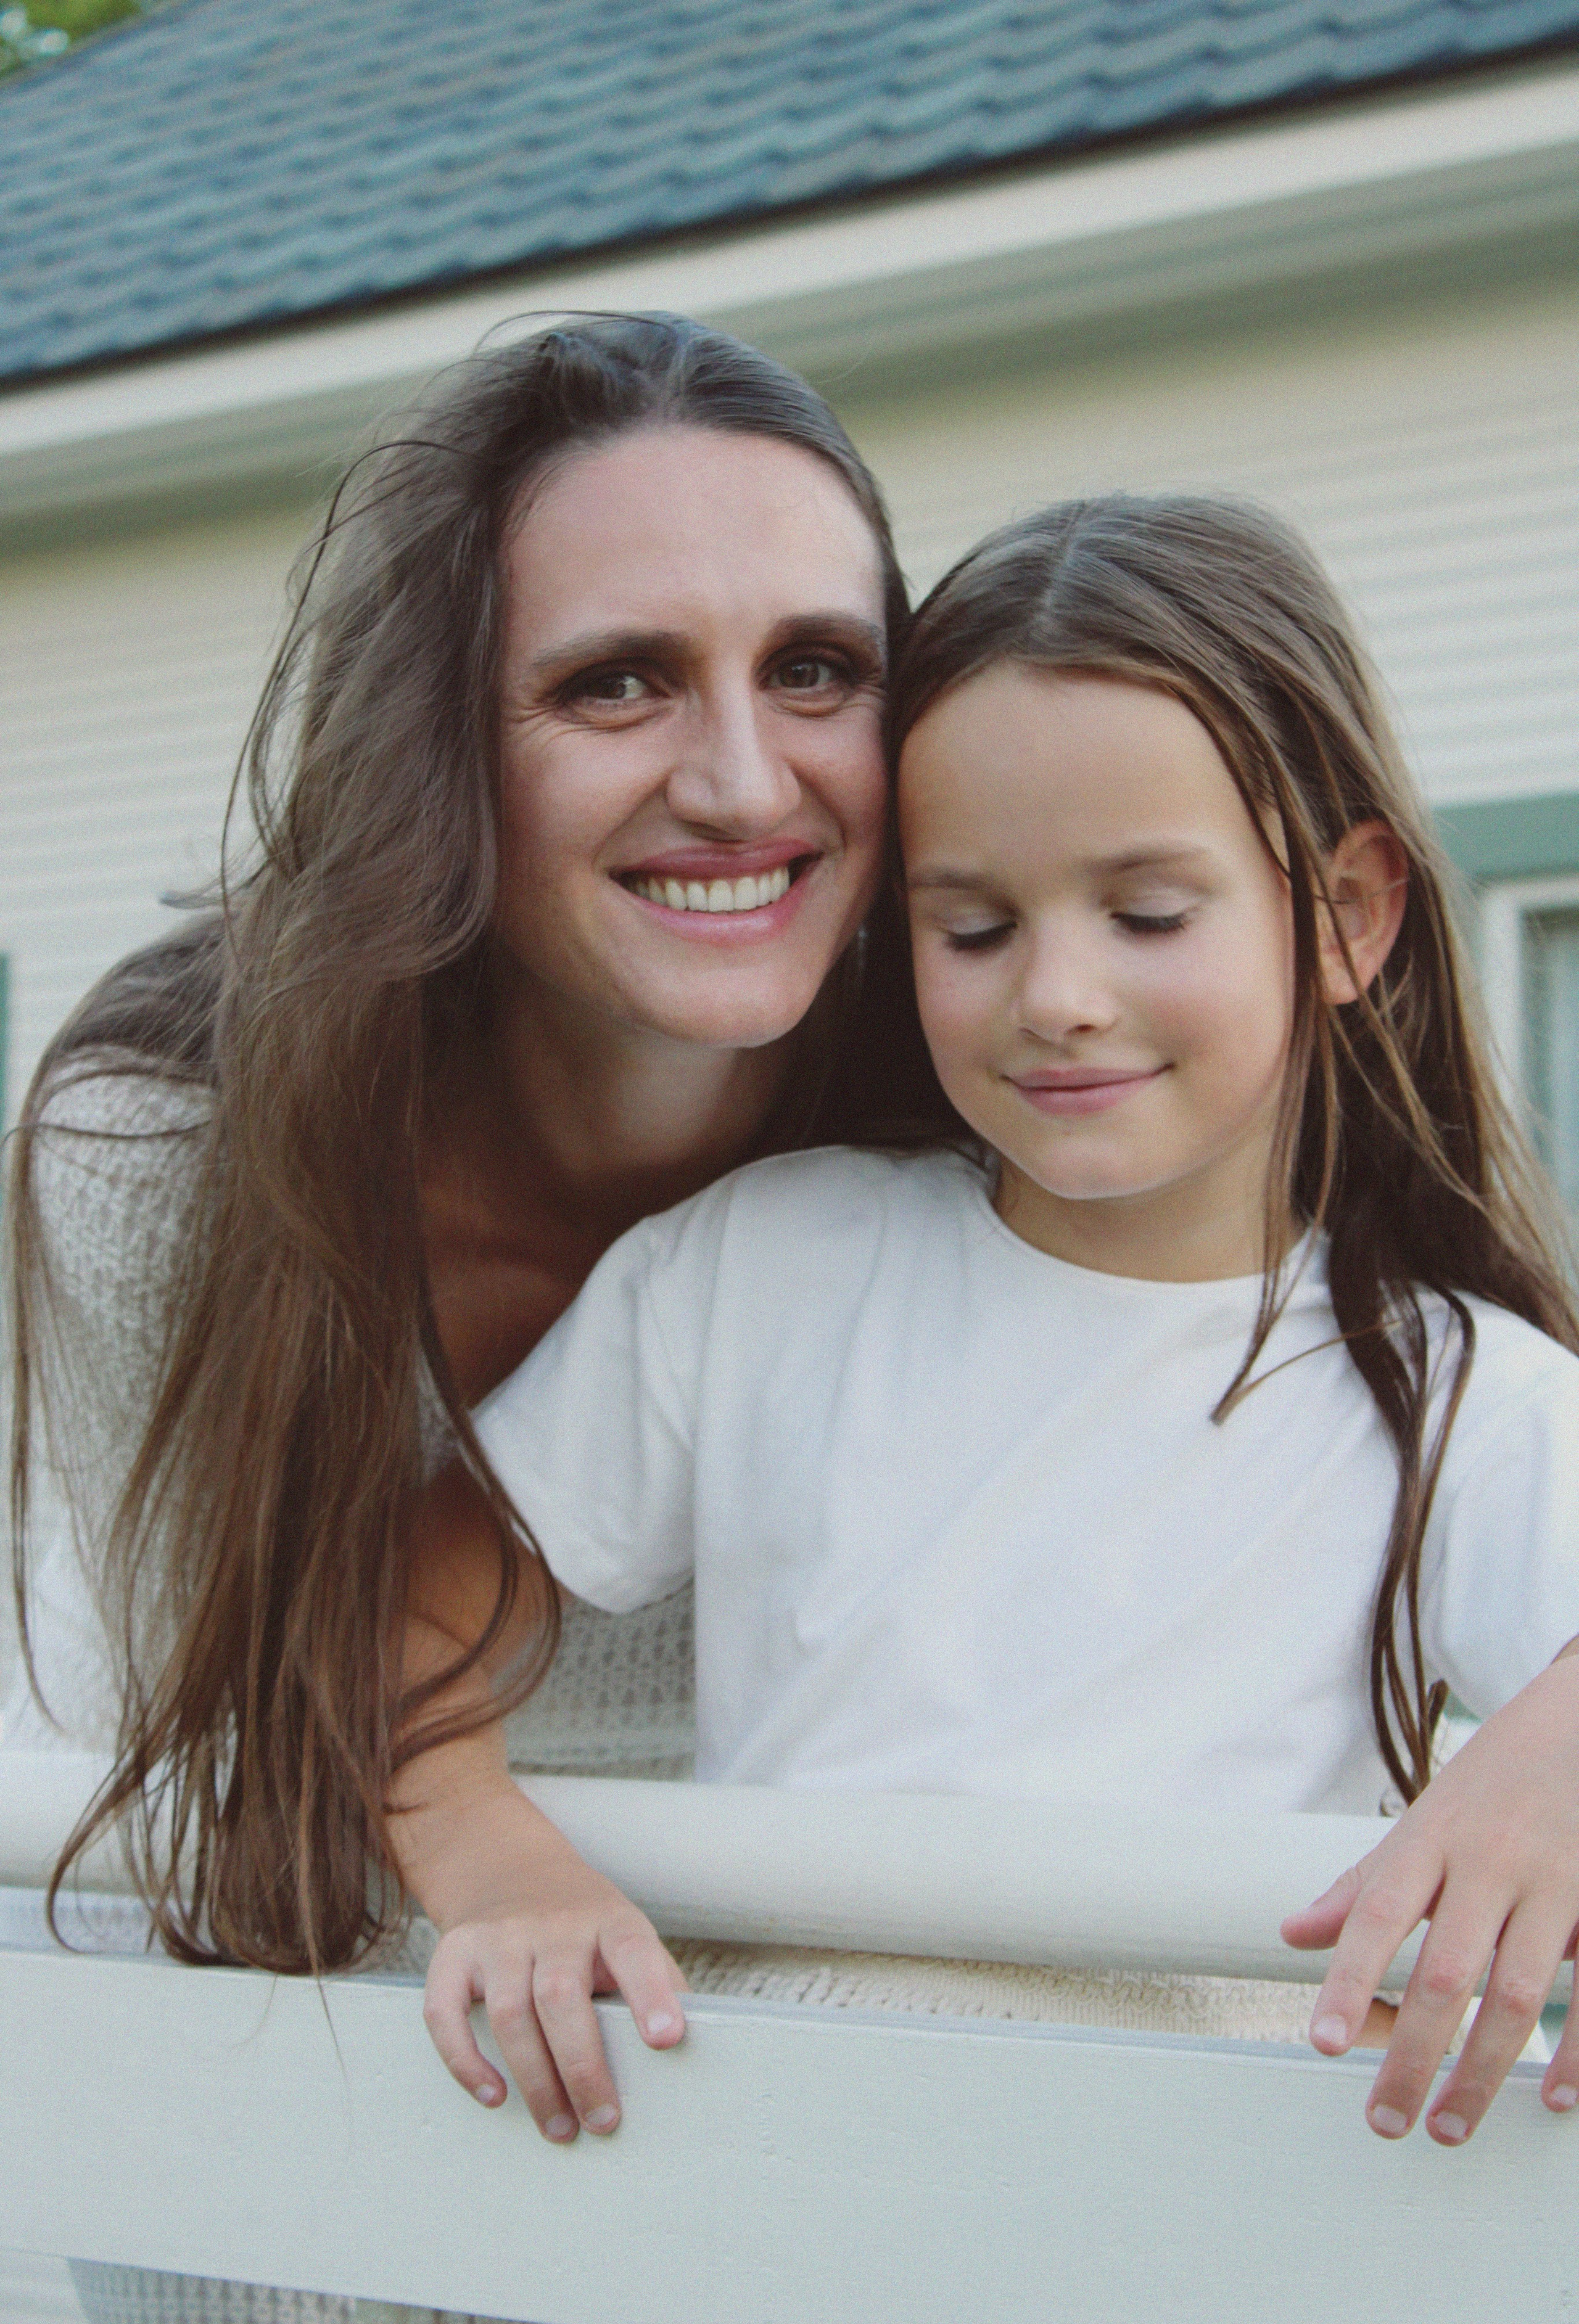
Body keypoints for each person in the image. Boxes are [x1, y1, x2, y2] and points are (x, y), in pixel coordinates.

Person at [401, 493, 1579, 2193]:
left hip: (1215, 2231)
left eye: (1149, 913)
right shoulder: (766, 1271)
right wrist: (495, 1865)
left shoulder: (1460, 1391)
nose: (1059, 996)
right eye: (976, 927)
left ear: (1348, 913)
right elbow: (404, 1619)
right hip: (772, 2205)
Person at [5, 313, 947, 2324]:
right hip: (262, 2059)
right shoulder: (175, 1147)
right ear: (440, 741)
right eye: (614, 680)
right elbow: (260, 1853)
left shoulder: (979, 1118)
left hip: (782, 2143)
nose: (739, 778)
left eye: (818, 670)